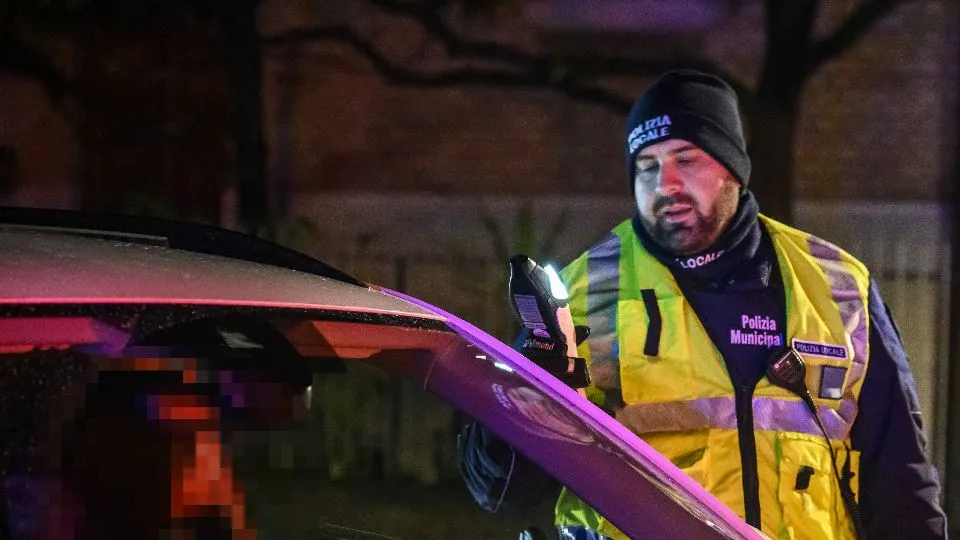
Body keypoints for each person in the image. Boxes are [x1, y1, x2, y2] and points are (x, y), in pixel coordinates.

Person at [459, 70, 947, 539]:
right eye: (647, 166)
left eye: (686, 159)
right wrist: (525, 388)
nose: (665, 183)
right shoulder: (585, 294)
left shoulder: (838, 286)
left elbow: (901, 481)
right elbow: (501, 490)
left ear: (733, 166)